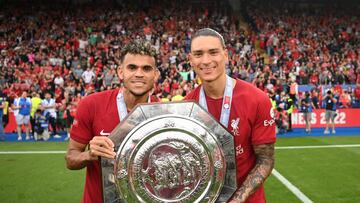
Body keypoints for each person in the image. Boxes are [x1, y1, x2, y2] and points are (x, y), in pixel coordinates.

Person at [185, 28, 276, 203]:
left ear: (226, 55)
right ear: (190, 60)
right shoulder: (186, 107)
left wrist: (237, 200)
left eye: (213, 52)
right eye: (198, 54)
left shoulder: (257, 99)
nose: (206, 60)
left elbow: (266, 160)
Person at [65, 40, 160, 203]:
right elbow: (70, 159)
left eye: (146, 68)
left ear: (155, 75)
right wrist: (90, 155)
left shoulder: (165, 113)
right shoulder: (91, 104)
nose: (139, 74)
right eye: (132, 67)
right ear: (120, 72)